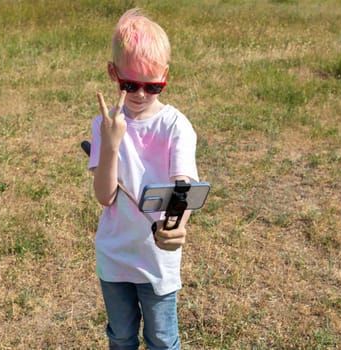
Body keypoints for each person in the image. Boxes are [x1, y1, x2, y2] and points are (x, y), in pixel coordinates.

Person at [88, 8, 198, 350]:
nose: (139, 95)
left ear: (165, 76)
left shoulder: (175, 125)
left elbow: (184, 188)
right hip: (115, 256)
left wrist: (177, 225)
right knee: (120, 336)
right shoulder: (105, 125)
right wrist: (111, 143)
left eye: (153, 86)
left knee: (162, 339)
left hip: (157, 259)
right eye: (129, 84)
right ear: (113, 73)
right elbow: (105, 196)